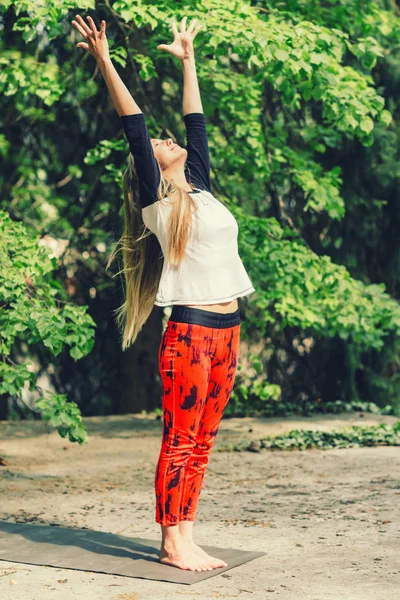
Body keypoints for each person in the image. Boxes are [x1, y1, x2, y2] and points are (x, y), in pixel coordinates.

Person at [71, 13, 255, 572]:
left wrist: (188, 60)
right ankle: (172, 540)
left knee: (203, 439)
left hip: (228, 330)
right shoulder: (159, 203)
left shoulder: (197, 185)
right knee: (180, 439)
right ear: (151, 165)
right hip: (192, 332)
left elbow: (194, 120)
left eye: (169, 140)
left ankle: (186, 533)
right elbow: (134, 121)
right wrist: (104, 59)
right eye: (160, 142)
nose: (168, 140)